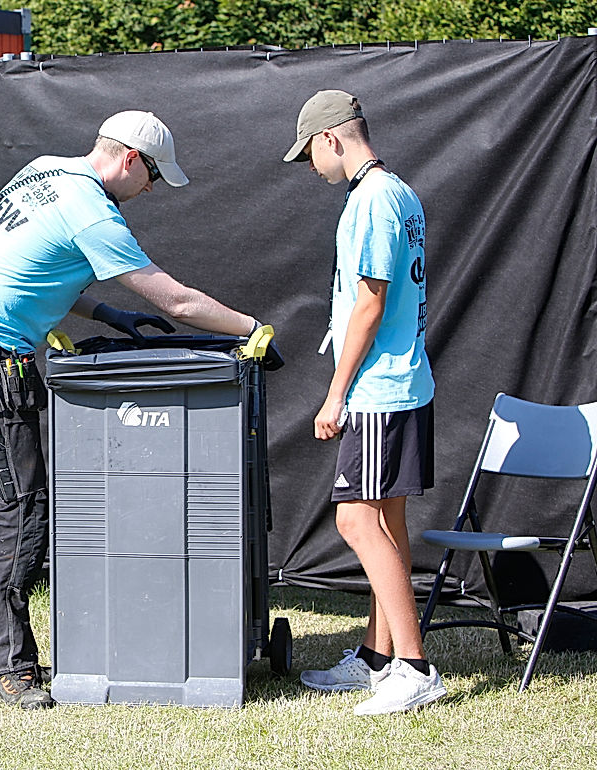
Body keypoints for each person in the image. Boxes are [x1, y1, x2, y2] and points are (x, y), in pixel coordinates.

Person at [0, 111, 262, 709]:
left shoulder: (43, 172)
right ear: (132, 159)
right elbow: (179, 302)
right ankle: (11, 668)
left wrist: (109, 316)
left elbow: (36, 269)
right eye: (156, 177)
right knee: (22, 508)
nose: (153, 192)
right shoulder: (93, 209)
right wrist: (253, 328)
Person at [283, 90, 446, 715]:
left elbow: (371, 301)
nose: (313, 169)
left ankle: (414, 666)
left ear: (332, 139)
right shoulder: (399, 192)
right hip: (407, 381)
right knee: (386, 522)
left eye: (311, 156)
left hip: (379, 388)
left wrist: (336, 393)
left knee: (354, 520)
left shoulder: (373, 199)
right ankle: (378, 660)